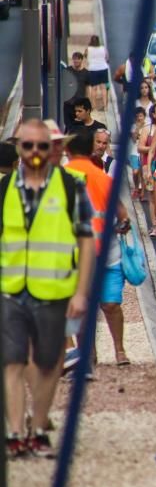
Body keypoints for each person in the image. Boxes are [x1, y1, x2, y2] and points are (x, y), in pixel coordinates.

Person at [2, 120, 95, 457]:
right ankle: (15, 432)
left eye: (43, 146)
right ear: (18, 148)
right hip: (11, 289)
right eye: (29, 146)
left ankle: (38, 426)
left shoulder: (71, 187)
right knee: (11, 361)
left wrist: (82, 291)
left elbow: (86, 240)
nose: (37, 153)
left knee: (46, 363)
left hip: (53, 290)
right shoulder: (5, 189)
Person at [65, 130, 132, 366]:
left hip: (89, 256)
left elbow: (122, 214)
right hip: (99, 255)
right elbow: (123, 216)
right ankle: (99, 353)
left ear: (68, 151)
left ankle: (109, 352)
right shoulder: (101, 179)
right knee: (109, 304)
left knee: (93, 305)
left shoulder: (62, 177)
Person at [85, 35, 110, 110]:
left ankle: (93, 106)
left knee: (94, 88)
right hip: (103, 68)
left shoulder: (88, 49)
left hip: (93, 69)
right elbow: (107, 57)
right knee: (103, 87)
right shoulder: (103, 48)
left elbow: (85, 56)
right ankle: (105, 106)